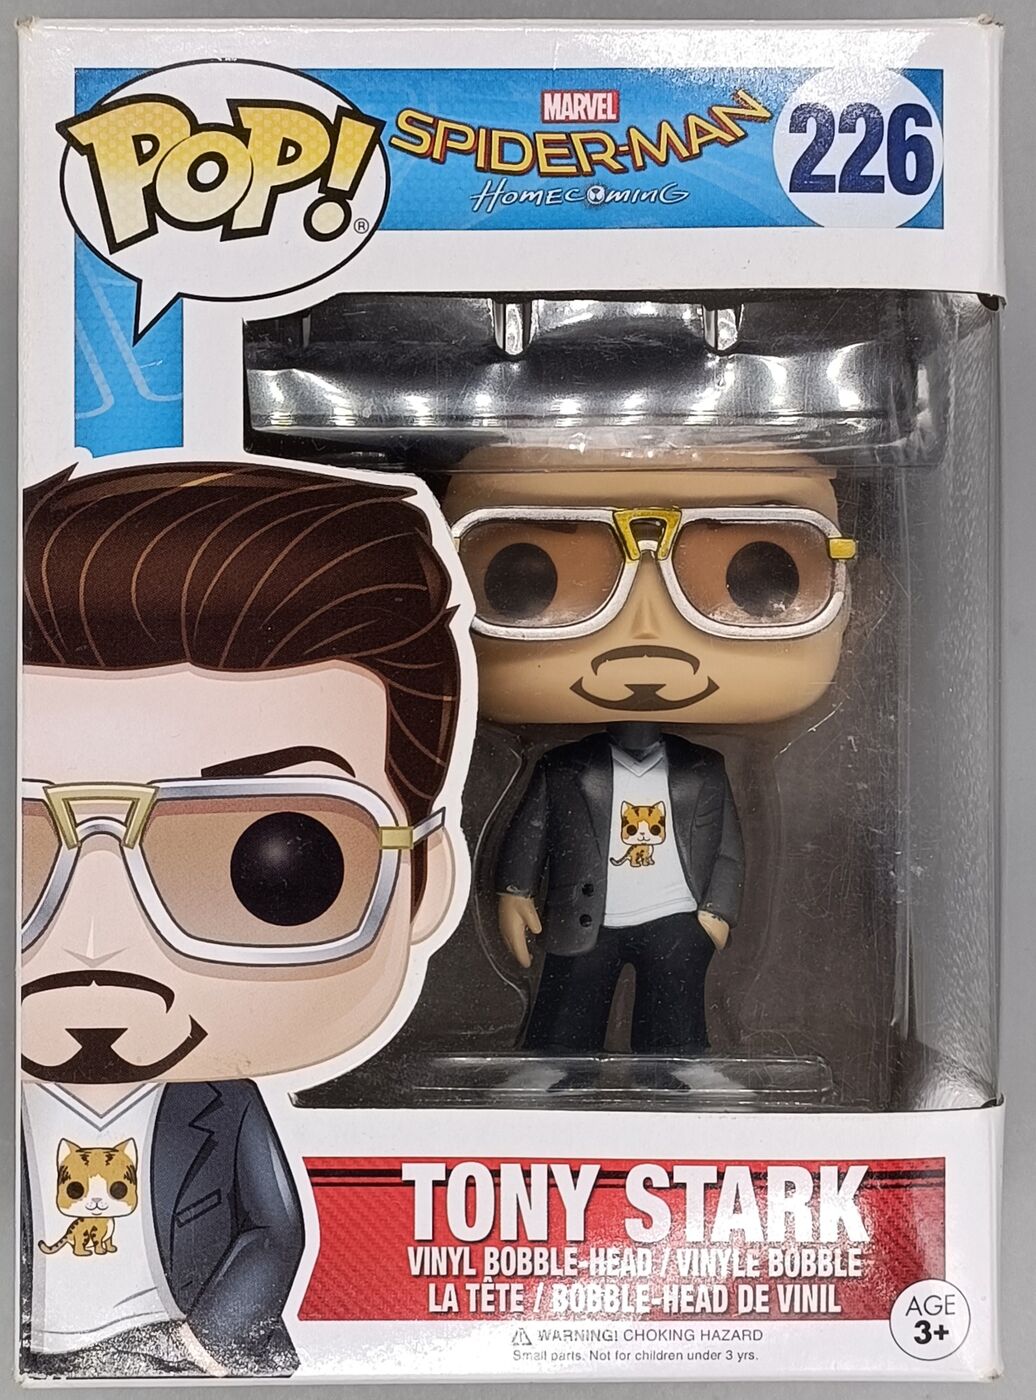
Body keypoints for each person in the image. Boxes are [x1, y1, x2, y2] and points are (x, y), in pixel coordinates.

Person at [20, 462, 466, 1378]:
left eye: (276, 864)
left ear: (424, 880)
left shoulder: (221, 1104)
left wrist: (205, 1352)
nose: (94, 947)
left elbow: (274, 1230)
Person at [444, 447, 854, 1054]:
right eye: (527, 578)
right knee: (565, 1019)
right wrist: (513, 891)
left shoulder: (703, 769)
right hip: (584, 919)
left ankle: (677, 1076)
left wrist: (715, 914)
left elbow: (729, 851)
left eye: (759, 573)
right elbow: (530, 832)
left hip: (677, 921)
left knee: (675, 1031)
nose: (645, 644)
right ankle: (550, 1076)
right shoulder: (565, 766)